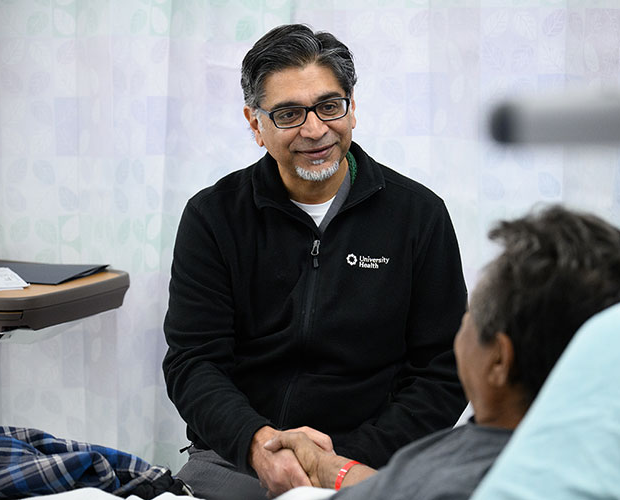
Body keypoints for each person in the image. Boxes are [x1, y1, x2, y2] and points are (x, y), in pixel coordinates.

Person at [162, 24, 468, 499]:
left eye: (329, 106)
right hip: (239, 457)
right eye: (288, 113)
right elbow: (193, 362)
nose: (314, 129)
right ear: (254, 123)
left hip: (372, 461)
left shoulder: (418, 215)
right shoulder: (213, 216)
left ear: (351, 107)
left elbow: (443, 371)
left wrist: (337, 461)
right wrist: (259, 445)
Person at [263, 204, 620, 500]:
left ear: (499, 359)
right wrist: (326, 465)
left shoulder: (470, 480)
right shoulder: (584, 451)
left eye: (470, 318)